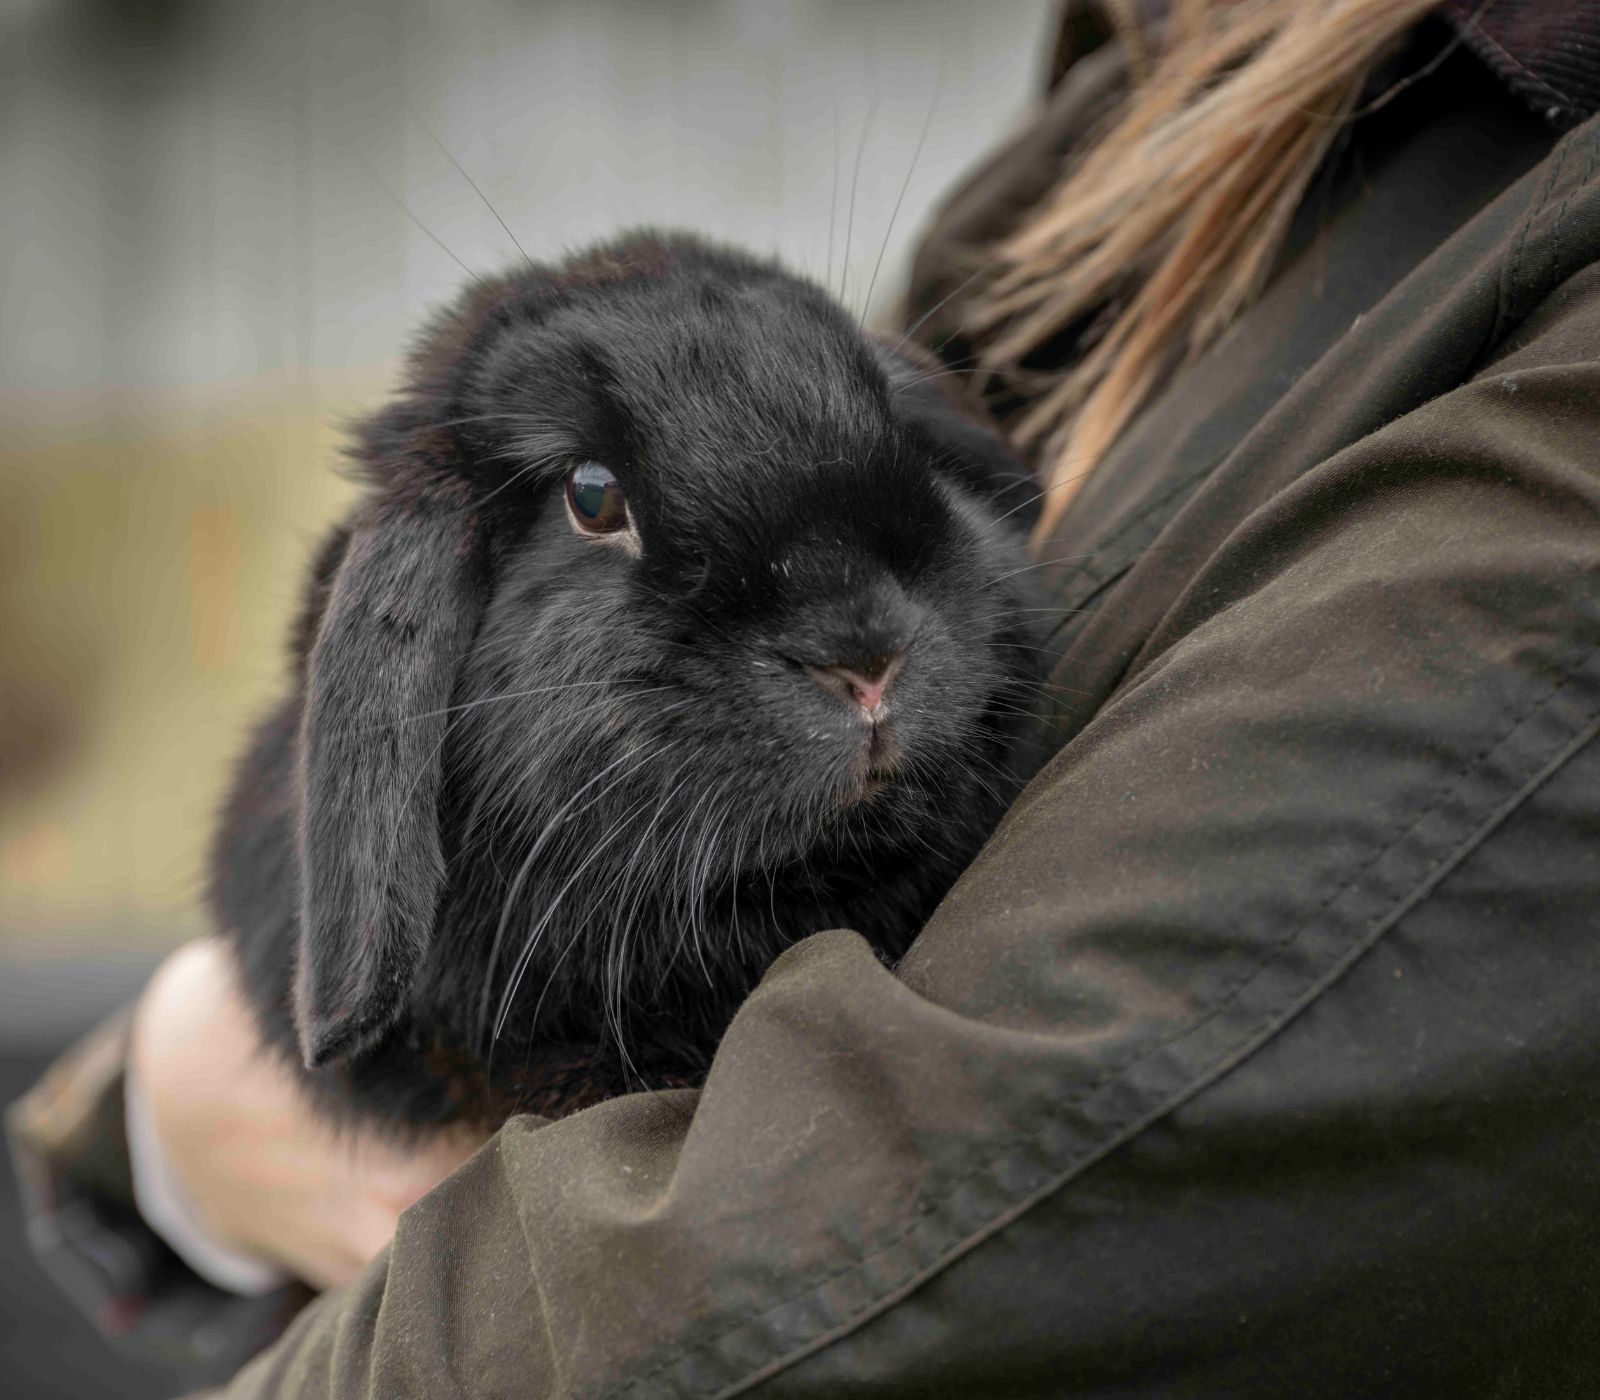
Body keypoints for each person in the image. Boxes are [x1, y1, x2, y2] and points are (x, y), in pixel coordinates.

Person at [12, 0, 1600, 1394]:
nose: (856, 648)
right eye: (599, 502)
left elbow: (896, 1218)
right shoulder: (1202, 77)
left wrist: (187, 1110)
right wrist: (171, 1101)